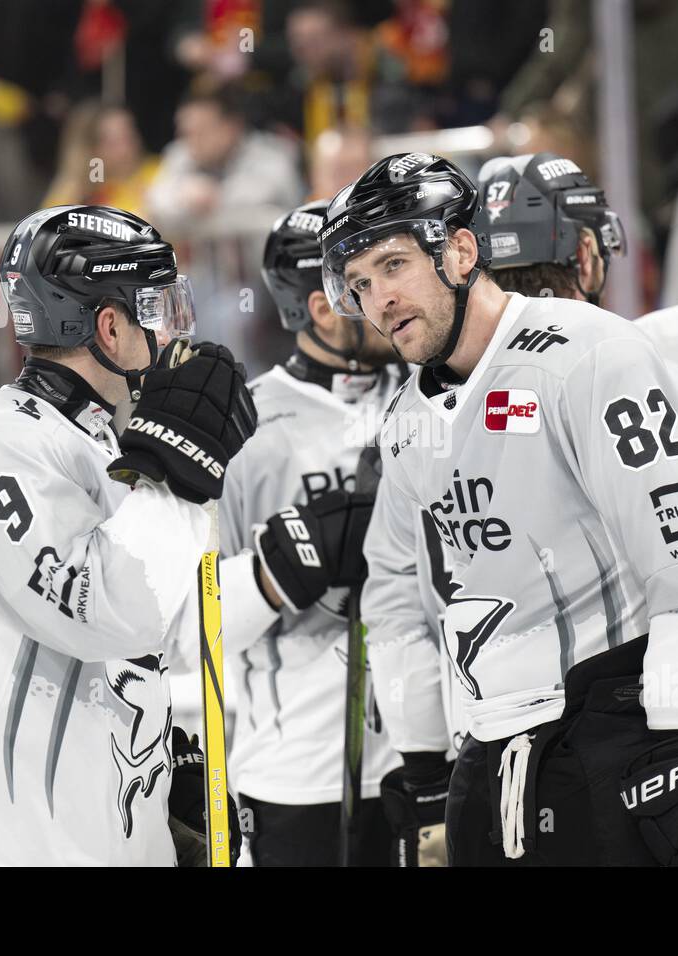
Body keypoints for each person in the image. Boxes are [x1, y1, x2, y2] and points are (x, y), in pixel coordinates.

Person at [330, 153, 678, 865]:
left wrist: (427, 781)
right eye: (360, 283)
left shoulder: (587, 359)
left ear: (466, 249)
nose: (377, 300)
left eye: (392, 268)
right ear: (586, 251)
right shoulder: (442, 401)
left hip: (574, 749)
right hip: (520, 767)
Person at [0, 204, 257, 865]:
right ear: (109, 327)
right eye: (157, 306)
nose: (175, 332)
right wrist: (176, 476)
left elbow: (167, 632)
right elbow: (101, 610)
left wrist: (151, 773)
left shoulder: (110, 451)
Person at [215, 201, 407, 865]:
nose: (390, 298)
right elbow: (196, 625)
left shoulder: (429, 395)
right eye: (364, 285)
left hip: (428, 758)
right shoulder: (243, 432)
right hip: (302, 775)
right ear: (324, 309)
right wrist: (288, 566)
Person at [145, 85, 303, 235]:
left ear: (232, 126)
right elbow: (155, 200)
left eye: (201, 131)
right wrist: (182, 195)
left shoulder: (271, 154)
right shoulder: (181, 154)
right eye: (186, 132)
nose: (192, 141)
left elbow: (267, 199)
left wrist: (216, 197)